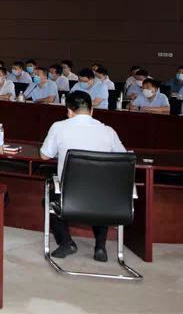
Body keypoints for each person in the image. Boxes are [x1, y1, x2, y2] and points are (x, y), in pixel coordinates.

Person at [40, 91, 125, 262]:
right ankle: (100, 247)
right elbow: (122, 157)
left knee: (48, 199)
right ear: (92, 111)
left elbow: (44, 155)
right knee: (99, 193)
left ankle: (66, 242)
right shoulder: (108, 131)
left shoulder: (59, 127)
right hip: (105, 202)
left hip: (69, 199)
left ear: (69, 111)